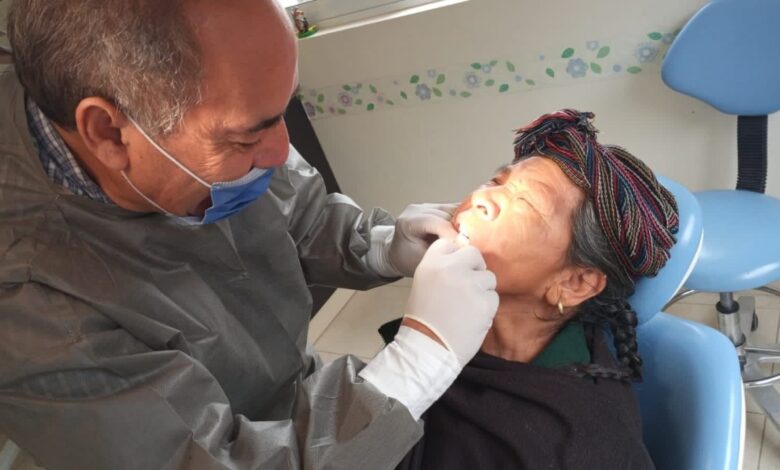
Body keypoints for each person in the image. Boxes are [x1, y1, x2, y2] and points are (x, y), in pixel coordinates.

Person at [0, 1, 499, 469]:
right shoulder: (32, 311)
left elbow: (296, 216)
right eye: (247, 138)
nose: (280, 152)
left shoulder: (213, 112)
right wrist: (414, 367)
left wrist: (381, 247)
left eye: (281, 111)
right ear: (109, 132)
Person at [394, 110, 678, 469]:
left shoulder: (576, 447)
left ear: (574, 283)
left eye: (526, 203)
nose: (482, 198)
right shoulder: (448, 327)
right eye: (497, 180)